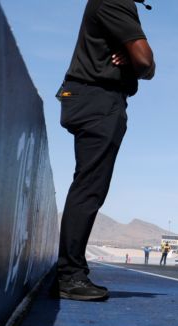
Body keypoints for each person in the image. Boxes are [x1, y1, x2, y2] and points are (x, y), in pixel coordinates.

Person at [54, 0, 155, 302]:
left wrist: (133, 59)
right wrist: (135, 57)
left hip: (89, 97)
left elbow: (143, 65)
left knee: (88, 185)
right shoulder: (116, 0)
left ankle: (70, 272)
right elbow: (146, 62)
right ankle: (69, 276)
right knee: (90, 187)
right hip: (98, 99)